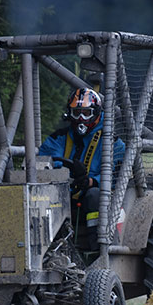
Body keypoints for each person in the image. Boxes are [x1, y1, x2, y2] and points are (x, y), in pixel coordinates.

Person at [38, 87, 126, 250]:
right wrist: (67, 172)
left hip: (97, 195)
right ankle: (48, 249)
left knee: (94, 196)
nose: (81, 118)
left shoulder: (113, 143)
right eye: (76, 112)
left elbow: (118, 176)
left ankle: (99, 249)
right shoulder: (58, 138)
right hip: (64, 192)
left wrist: (91, 181)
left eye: (86, 113)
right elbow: (45, 160)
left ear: (97, 113)